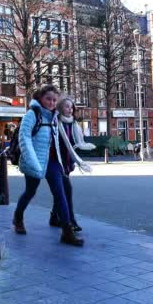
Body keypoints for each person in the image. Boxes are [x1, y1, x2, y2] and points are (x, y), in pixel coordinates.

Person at [12, 85, 84, 247]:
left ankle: (67, 231)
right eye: (48, 99)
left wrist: (69, 160)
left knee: (60, 194)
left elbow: (60, 139)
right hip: (35, 161)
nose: (51, 102)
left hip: (52, 162)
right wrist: (33, 162)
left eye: (54, 100)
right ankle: (18, 217)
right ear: (40, 98)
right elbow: (25, 139)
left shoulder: (54, 116)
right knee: (30, 192)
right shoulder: (32, 114)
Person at [49, 97, 94, 232]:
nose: (70, 109)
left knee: (61, 192)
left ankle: (54, 217)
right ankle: (70, 221)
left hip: (67, 162)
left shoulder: (73, 124)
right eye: (67, 106)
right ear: (61, 108)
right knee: (67, 191)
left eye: (72, 107)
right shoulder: (55, 123)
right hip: (56, 163)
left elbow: (75, 143)